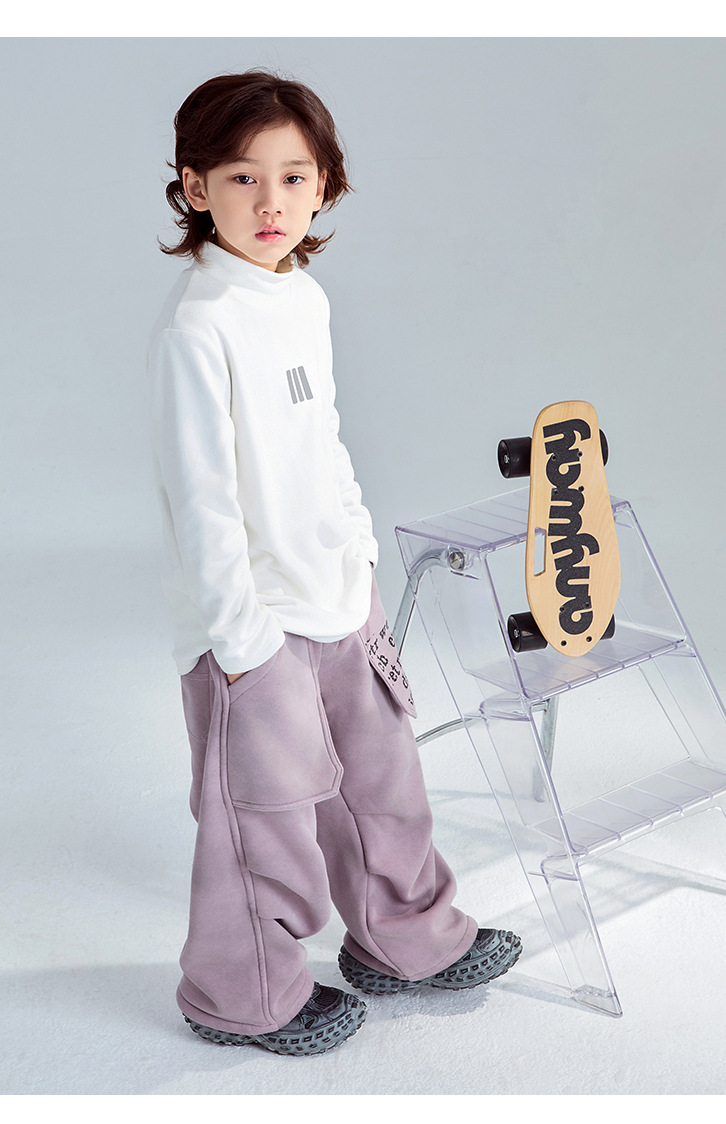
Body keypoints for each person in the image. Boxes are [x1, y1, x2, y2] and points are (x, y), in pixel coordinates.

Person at [148, 70, 522, 1058]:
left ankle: (405, 940)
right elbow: (202, 500)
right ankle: (241, 992)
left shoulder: (301, 299)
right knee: (261, 818)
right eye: (241, 177)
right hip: (253, 626)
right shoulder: (199, 325)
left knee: (383, 782)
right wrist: (240, 642)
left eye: (293, 177)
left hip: (340, 600)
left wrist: (358, 555)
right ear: (195, 187)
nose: (269, 201)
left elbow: (323, 442)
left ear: (324, 186)